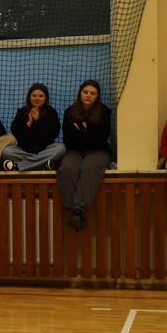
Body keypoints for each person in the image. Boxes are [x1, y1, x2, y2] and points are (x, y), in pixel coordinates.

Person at [57, 80, 114, 232]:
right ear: (80, 93)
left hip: (99, 151)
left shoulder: (104, 112)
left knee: (88, 167)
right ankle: (70, 208)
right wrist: (83, 132)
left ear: (97, 96)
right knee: (67, 168)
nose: (88, 95)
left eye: (92, 93)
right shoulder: (70, 111)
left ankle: (78, 210)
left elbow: (101, 139)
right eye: (85, 92)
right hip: (75, 151)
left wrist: (84, 131)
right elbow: (68, 139)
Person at [2, 83, 65, 171]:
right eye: (34, 95)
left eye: (41, 96)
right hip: (25, 151)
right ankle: (43, 164)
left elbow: (52, 135)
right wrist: (29, 124)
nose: (37, 98)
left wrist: (38, 121)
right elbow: (20, 139)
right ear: (29, 97)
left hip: (45, 150)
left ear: (46, 98)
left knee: (60, 148)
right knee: (7, 151)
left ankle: (18, 166)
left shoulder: (51, 112)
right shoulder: (21, 112)